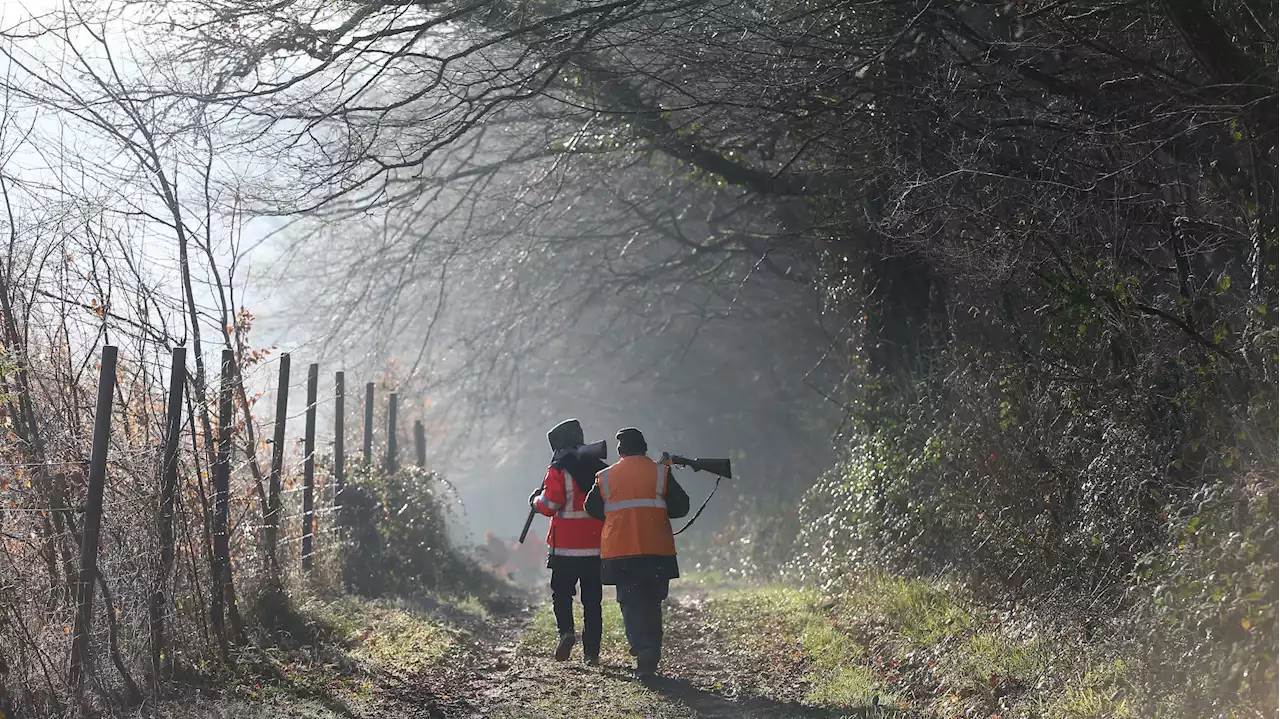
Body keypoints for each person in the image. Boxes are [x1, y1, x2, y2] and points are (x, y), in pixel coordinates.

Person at [585, 427, 689, 679]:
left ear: (620, 451)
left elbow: (591, 507)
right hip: (657, 550)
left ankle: (642, 652)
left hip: (621, 550)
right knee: (652, 603)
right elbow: (681, 507)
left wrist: (616, 519)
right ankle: (651, 655)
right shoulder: (661, 472)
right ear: (644, 447)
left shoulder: (605, 476)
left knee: (631, 603)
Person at [529, 418, 608, 664]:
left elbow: (550, 505)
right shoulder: (600, 468)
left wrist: (535, 501)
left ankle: (565, 633)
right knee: (592, 599)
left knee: (562, 594)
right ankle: (592, 653)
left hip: (565, 548)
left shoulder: (557, 469)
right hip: (595, 546)